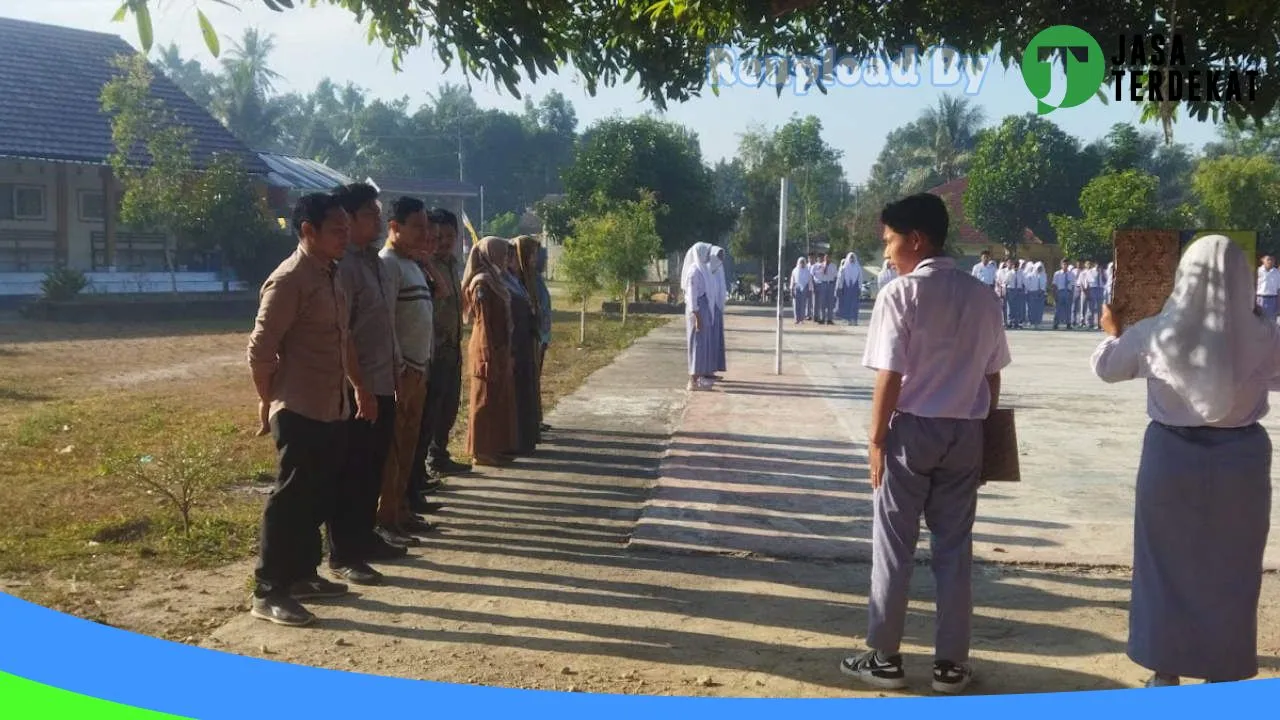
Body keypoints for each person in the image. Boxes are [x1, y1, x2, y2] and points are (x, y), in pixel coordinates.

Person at [1091, 235, 1279, 687]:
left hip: (1169, 456)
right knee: (1233, 566)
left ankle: (1164, 669)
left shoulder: (1156, 330)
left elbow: (1107, 369)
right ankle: (1223, 671)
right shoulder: (1266, 335)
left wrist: (1112, 331)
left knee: (1164, 564)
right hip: (1242, 460)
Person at [842, 193, 1010, 695]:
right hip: (965, 431)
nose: (888, 253)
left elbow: (890, 377)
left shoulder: (900, 295)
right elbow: (992, 376)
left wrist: (876, 441)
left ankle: (885, 657)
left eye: (891, 241)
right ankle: (950, 666)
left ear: (917, 239)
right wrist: (985, 431)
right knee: (954, 549)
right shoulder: (983, 296)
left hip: (912, 430)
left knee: (894, 545)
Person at [246, 192, 377, 627]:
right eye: (337, 230)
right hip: (299, 407)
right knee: (291, 500)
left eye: (346, 229)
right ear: (308, 232)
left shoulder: (330, 274)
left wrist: (359, 386)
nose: (346, 236)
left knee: (318, 495)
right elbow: (261, 349)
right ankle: (269, 590)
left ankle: (303, 575)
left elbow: (343, 341)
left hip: (331, 404)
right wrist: (268, 400)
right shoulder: (289, 280)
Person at [326, 183, 402, 583]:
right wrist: (360, 386)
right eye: (370, 214)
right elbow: (345, 333)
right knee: (352, 470)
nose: (376, 220)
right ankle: (343, 553)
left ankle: (365, 536)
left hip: (384, 379)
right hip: (358, 387)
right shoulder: (344, 268)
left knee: (373, 466)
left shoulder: (374, 262)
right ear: (349, 218)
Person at [377, 197, 438, 548]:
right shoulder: (389, 265)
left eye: (426, 226)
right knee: (394, 448)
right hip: (403, 374)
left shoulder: (413, 264)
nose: (424, 233)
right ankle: (386, 517)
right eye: (417, 226)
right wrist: (399, 369)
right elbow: (386, 321)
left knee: (409, 446)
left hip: (420, 370)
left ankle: (401, 510)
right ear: (394, 227)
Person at [413, 209, 472, 485]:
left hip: (452, 346)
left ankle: (439, 455)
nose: (445, 241)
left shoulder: (452, 264)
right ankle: (423, 466)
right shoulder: (424, 267)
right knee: (429, 411)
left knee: (448, 406)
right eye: (440, 236)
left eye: (450, 235)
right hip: (431, 349)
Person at [463, 236, 519, 466]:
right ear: (491, 253)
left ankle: (494, 446)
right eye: (503, 253)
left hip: (499, 345)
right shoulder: (482, 283)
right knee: (483, 399)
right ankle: (480, 450)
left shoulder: (495, 279)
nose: (506, 258)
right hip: (486, 346)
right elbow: (484, 322)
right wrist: (487, 354)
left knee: (496, 397)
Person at [504, 237, 541, 455]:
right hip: (514, 343)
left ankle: (527, 436)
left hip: (527, 340)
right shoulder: (499, 282)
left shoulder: (521, 280)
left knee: (527, 390)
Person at [683, 242, 718, 390]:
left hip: (704, 308)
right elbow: (692, 297)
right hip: (696, 310)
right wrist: (697, 317)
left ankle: (700, 378)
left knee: (703, 345)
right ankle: (692, 380)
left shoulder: (703, 270)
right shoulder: (694, 272)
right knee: (696, 345)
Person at [709, 246, 729, 377]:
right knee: (709, 341)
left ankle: (715, 368)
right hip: (709, 307)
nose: (721, 258)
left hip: (718, 307)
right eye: (719, 255)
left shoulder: (719, 268)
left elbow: (722, 286)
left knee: (717, 341)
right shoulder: (707, 268)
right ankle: (707, 369)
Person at [836, 252, 863, 325]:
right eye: (850, 257)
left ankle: (854, 319)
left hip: (855, 287)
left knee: (854, 304)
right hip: (846, 287)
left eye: (853, 257)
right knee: (847, 304)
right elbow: (841, 278)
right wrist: (840, 287)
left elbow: (860, 278)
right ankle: (848, 320)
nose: (852, 259)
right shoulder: (844, 268)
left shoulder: (858, 267)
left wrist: (860, 288)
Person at [1052, 260, 1075, 330]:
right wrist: (1055, 295)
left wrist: (1072, 294)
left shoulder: (1071, 274)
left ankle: (1068, 324)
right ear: (1061, 265)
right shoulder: (1057, 274)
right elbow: (1054, 285)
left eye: (1066, 264)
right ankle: (1056, 324)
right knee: (1058, 309)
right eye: (1064, 264)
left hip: (1068, 292)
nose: (1065, 266)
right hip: (1060, 292)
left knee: (1068, 309)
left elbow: (1073, 285)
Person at [1256, 255, 1279, 322]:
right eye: (1268, 259)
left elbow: (1278, 289)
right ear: (1262, 260)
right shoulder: (1258, 271)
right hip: (1259, 299)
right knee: (1259, 321)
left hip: (1272, 300)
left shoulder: (1277, 273)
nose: (1270, 261)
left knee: (1271, 322)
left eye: (1272, 259)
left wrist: (1278, 304)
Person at [790, 257, 813, 324]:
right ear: (798, 263)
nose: (802, 264)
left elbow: (810, 281)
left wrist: (810, 290)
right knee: (796, 304)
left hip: (805, 288)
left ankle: (802, 319)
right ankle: (796, 319)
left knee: (803, 304)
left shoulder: (807, 271)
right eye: (801, 262)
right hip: (796, 287)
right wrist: (791, 289)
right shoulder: (794, 270)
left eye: (803, 262)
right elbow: (792, 280)